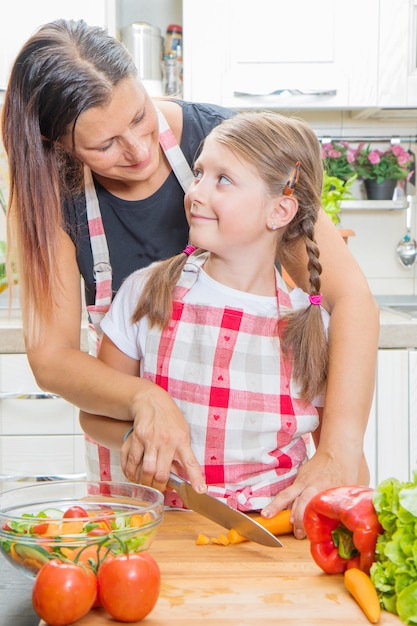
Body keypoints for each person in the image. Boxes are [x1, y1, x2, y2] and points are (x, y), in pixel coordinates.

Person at [1, 19, 379, 537]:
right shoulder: (52, 200)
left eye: (140, 117)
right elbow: (53, 358)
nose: (138, 150)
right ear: (57, 146)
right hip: (146, 502)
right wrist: (145, 399)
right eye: (106, 144)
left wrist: (338, 450)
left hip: (274, 511)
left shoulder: (228, 147)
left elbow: (350, 298)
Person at [81, 111, 369, 525]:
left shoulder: (309, 326)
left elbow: (340, 465)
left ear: (280, 210)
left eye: (223, 180)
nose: (196, 192)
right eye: (199, 173)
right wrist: (134, 438)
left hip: (276, 540)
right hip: (164, 534)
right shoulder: (146, 293)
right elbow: (92, 414)